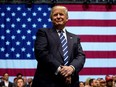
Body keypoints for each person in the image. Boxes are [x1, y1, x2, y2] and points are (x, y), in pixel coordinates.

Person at [32, 5, 85, 87]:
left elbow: (80, 56)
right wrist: (61, 70)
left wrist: (72, 68)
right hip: (47, 82)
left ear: (67, 18)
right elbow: (41, 53)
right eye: (55, 15)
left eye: (61, 14)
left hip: (71, 83)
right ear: (51, 19)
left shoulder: (75, 38)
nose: (58, 17)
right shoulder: (43, 33)